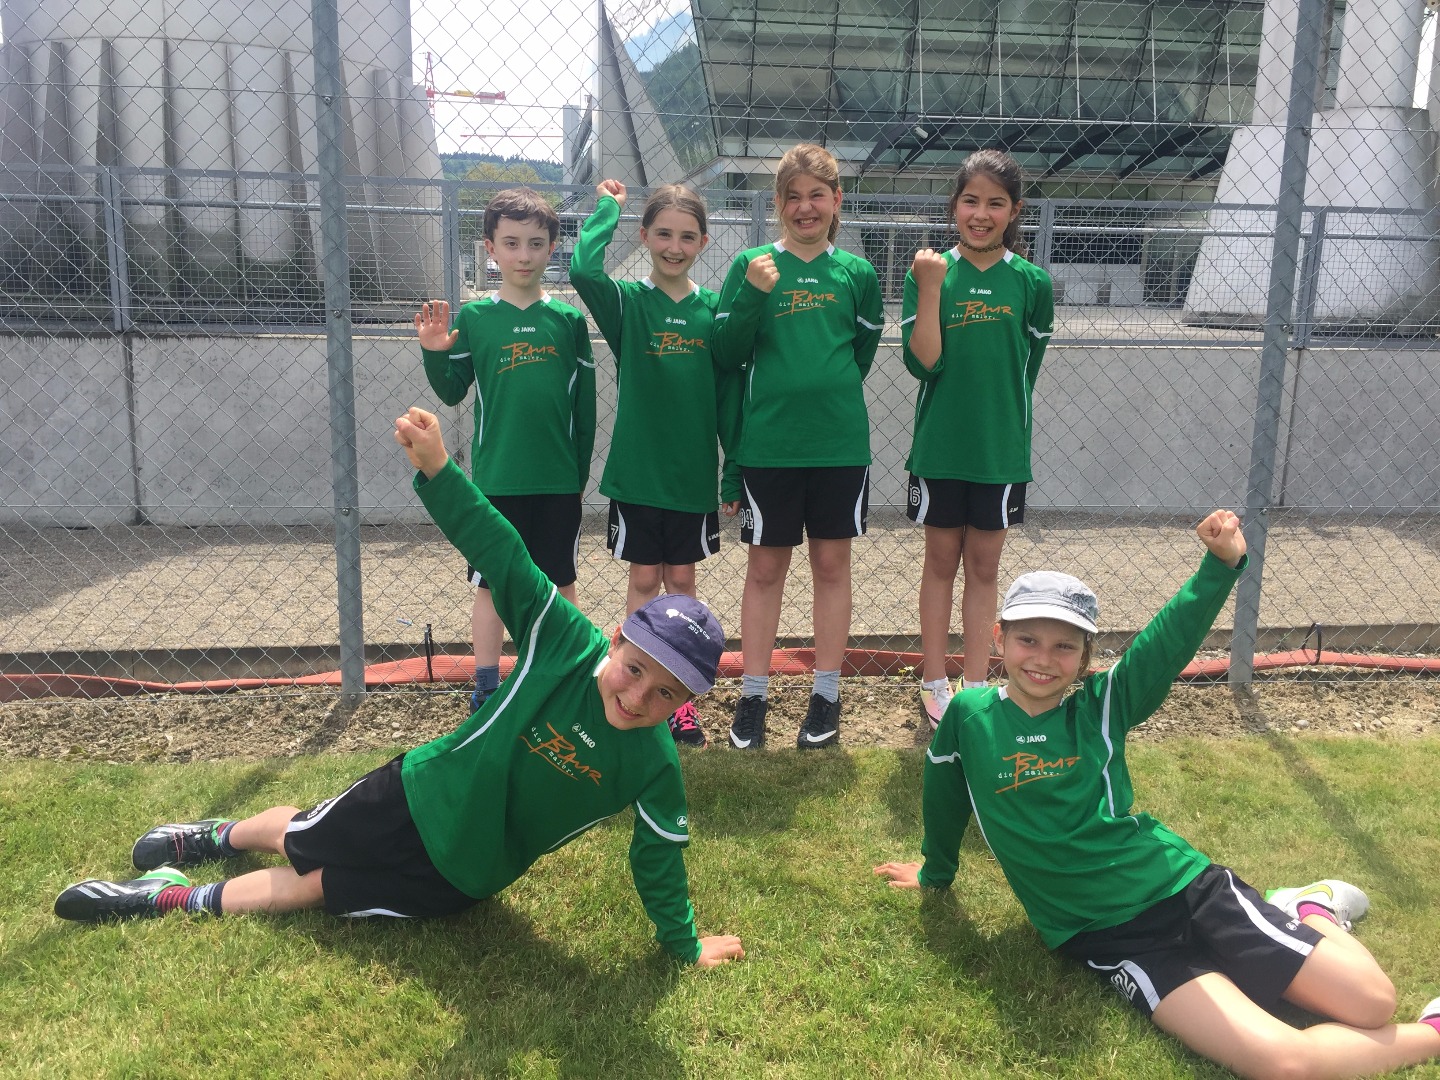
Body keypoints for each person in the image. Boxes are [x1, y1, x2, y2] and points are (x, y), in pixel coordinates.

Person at [54, 407, 746, 969]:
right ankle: (217, 835)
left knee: (320, 887)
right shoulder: (563, 640)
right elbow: (503, 552)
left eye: (665, 694)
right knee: (302, 838)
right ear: (618, 637)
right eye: (636, 669)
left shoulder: (655, 766)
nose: (638, 698)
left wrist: (684, 945)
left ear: (686, 704)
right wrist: (440, 470)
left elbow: (658, 856)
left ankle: (167, 898)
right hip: (418, 796)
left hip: (464, 876)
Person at [874, 510, 1440, 1077]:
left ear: (1084, 657)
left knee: (1373, 1002)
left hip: (1184, 889)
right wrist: (936, 871)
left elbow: (1165, 644)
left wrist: (1219, 565)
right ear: (999, 637)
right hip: (1114, 940)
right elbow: (944, 792)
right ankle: (1433, 1035)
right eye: (1028, 639)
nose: (1043, 659)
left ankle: (1309, 907)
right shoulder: (969, 716)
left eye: (1064, 646)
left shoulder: (1102, 705)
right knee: (1282, 1063)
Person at [711, 143, 883, 751]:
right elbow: (726, 352)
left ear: (836, 201)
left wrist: (821, 391)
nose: (804, 207)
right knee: (764, 571)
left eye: (816, 195)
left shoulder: (857, 274)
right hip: (769, 448)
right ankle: (753, 695)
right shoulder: (752, 265)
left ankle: (826, 695)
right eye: (792, 197)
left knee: (832, 568)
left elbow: (859, 355)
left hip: (838, 448)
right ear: (777, 204)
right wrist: (754, 294)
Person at [569, 179, 740, 750]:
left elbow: (727, 400)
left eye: (687, 236)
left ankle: (677, 701)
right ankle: (632, 691)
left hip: (690, 479)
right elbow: (583, 270)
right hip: (638, 476)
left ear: (703, 242)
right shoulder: (628, 304)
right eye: (663, 234)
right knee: (643, 580)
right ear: (643, 237)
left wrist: (733, 469)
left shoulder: (714, 311)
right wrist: (608, 208)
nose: (674, 246)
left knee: (683, 583)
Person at [415, 186, 596, 714]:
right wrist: (433, 352)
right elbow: (452, 390)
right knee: (493, 587)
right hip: (496, 482)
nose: (524, 255)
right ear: (490, 248)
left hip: (557, 482)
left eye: (536, 244)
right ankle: (487, 689)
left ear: (552, 248)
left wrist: (577, 477)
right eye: (511, 243)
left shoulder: (569, 321)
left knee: (560, 584)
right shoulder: (475, 318)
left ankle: (563, 681)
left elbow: (584, 410)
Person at [901, 149, 1054, 731]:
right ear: (954, 207)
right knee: (940, 563)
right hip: (941, 450)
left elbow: (1026, 368)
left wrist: (1002, 422)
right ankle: (934, 683)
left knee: (984, 569)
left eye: (995, 203)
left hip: (999, 454)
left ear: (1014, 211)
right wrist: (931, 288)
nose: (981, 214)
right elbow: (924, 364)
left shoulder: (1031, 282)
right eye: (970, 201)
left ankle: (976, 686)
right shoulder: (929, 272)